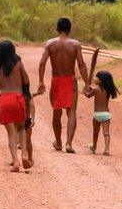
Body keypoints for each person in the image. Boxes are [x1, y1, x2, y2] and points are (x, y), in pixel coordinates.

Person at [38, 17, 90, 152]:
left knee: (56, 112)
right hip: (70, 81)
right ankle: (69, 144)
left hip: (56, 80)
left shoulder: (50, 44)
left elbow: (42, 62)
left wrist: (41, 81)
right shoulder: (75, 44)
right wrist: (87, 83)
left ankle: (59, 142)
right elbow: (81, 64)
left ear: (57, 28)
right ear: (70, 29)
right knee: (71, 112)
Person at [0, 40, 33, 172]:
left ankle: (15, 162)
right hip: (17, 98)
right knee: (21, 129)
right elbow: (26, 80)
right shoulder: (18, 64)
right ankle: (25, 154)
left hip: (4, 99)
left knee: (11, 133)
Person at [83, 71, 118, 156]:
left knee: (96, 132)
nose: (95, 78)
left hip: (97, 114)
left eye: (97, 77)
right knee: (106, 132)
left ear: (101, 80)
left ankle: (94, 147)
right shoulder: (108, 90)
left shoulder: (95, 89)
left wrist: (84, 90)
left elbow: (88, 95)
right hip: (106, 114)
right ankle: (107, 150)